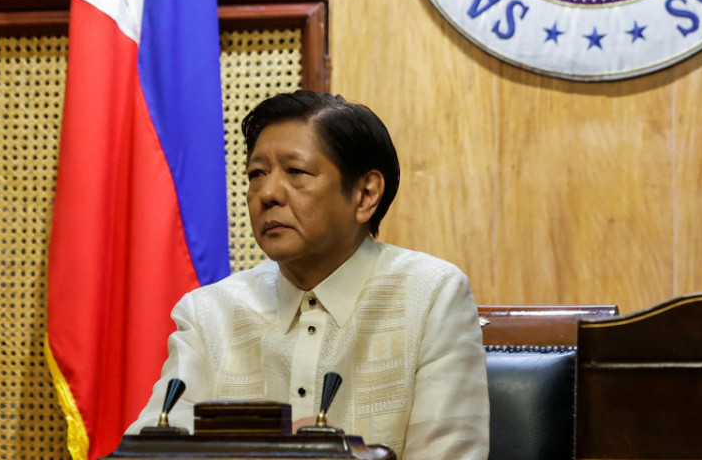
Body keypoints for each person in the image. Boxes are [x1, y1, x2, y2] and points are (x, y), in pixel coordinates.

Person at [127, 91, 489, 459]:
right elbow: (155, 448)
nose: (266, 193)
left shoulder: (432, 295)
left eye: (296, 172)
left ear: (365, 195)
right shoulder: (209, 313)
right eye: (256, 174)